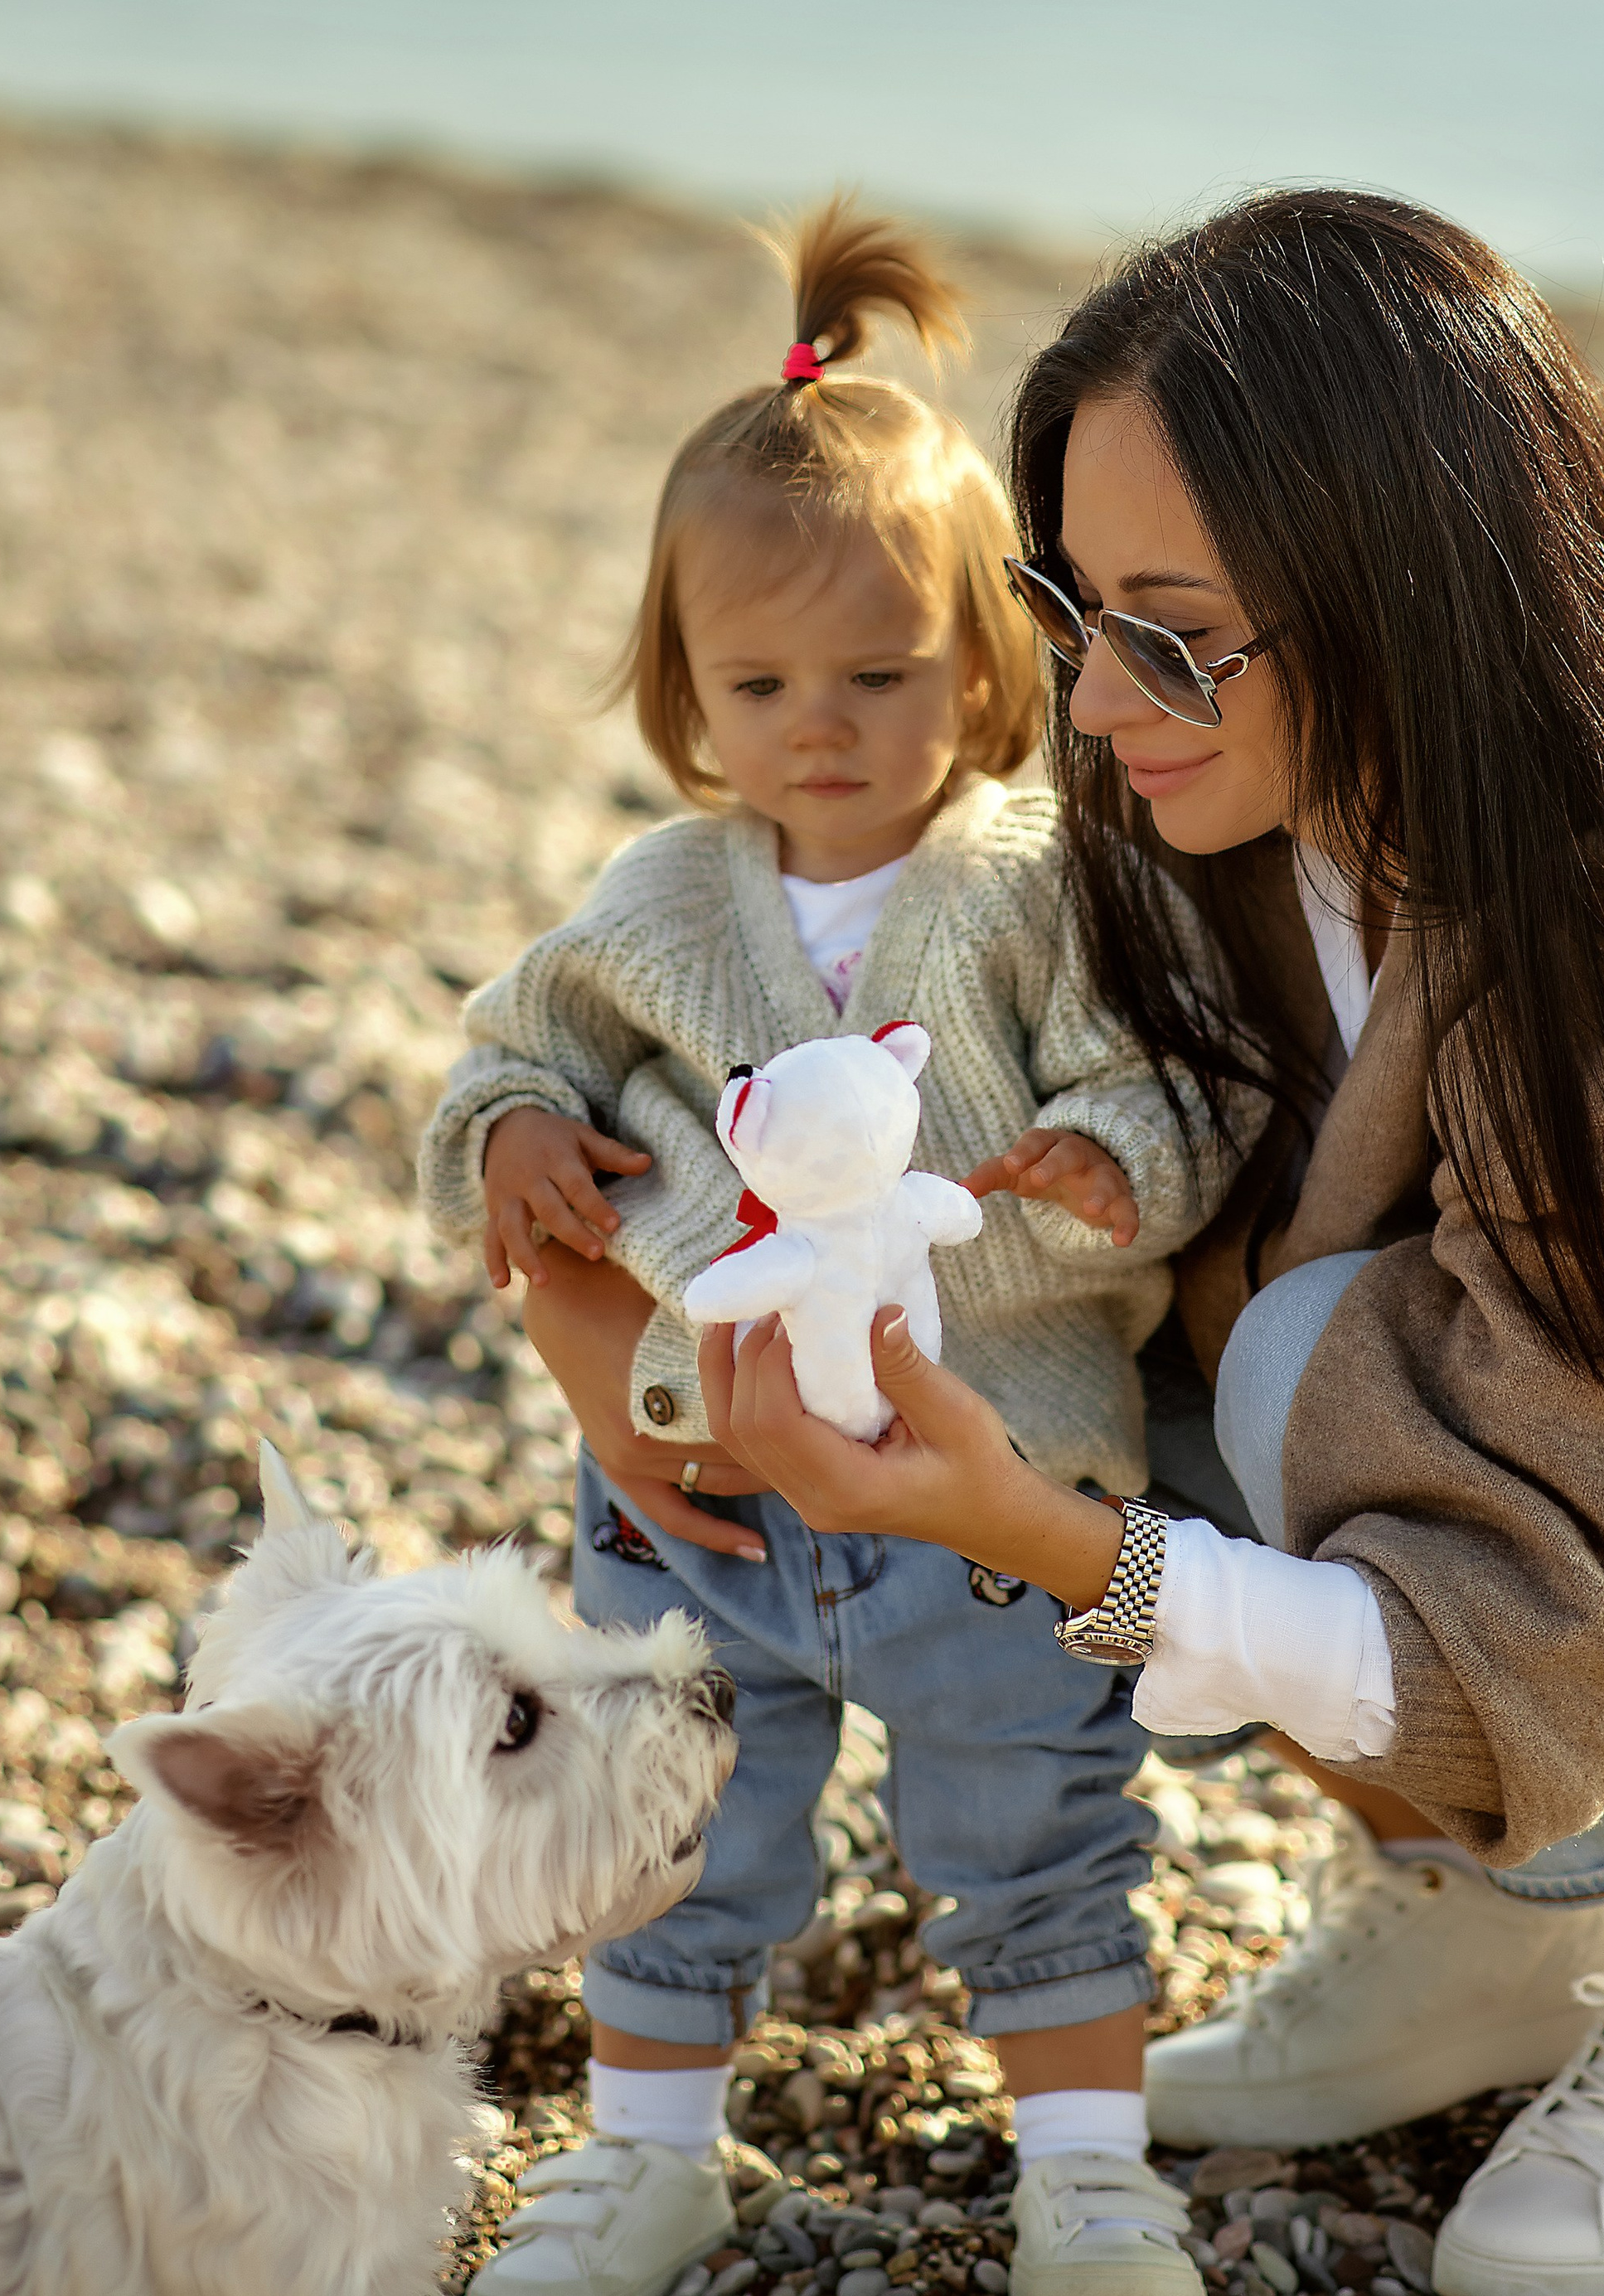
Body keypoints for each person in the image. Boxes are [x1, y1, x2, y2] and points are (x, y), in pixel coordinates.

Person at [693, 191, 1604, 2296]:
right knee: (1129, 1274)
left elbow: (1551, 1580)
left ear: (1406, 598)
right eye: (1069, 605)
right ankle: (1499, 1932)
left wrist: (1029, 1529)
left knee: (1312, 1351)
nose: (1096, 700)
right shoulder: (1242, 842)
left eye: (1173, 631)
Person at [419, 201, 1248, 2296]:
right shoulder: (658, 901)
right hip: (699, 1480)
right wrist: (514, 1135)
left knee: (1037, 1837)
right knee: (665, 1833)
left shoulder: (1036, 883)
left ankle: (1084, 2171)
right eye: (759, 680)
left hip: (991, 1481)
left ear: (983, 664)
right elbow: (502, 1055)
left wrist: (1103, 1158)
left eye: (878, 676)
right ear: (681, 688)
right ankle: (644, 2153)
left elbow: (1183, 1083)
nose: (819, 723)